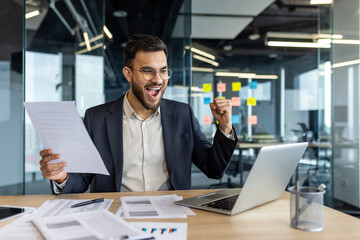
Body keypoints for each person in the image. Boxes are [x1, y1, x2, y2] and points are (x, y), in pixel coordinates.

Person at [39, 34, 238, 194]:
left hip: (172, 212)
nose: (158, 80)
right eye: (148, 71)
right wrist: (61, 177)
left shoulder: (182, 114)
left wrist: (225, 128)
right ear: (128, 74)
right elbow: (81, 181)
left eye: (163, 71)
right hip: (115, 215)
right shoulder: (96, 118)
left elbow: (214, 169)